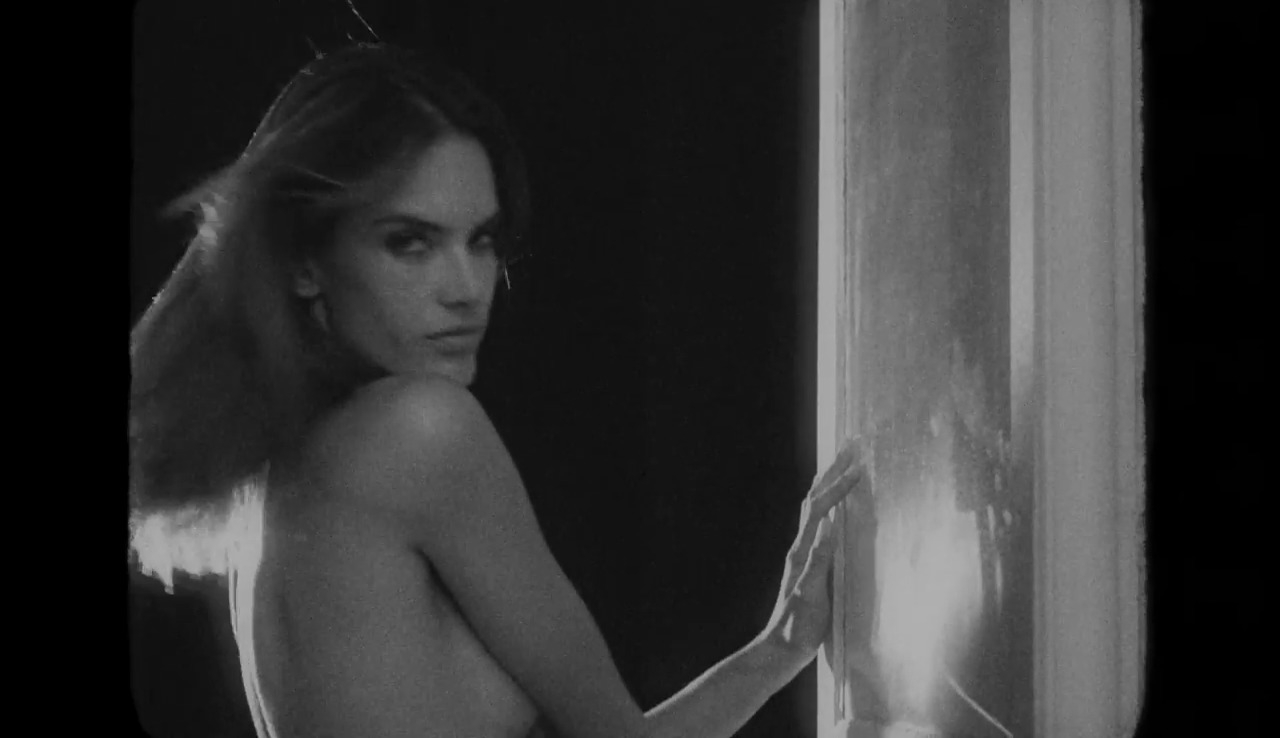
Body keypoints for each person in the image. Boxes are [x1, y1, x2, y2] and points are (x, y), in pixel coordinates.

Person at [129, 42, 870, 738]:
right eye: (409, 243)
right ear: (304, 262)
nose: (466, 288)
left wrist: (780, 649)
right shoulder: (419, 432)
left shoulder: (276, 486)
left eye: (480, 240)